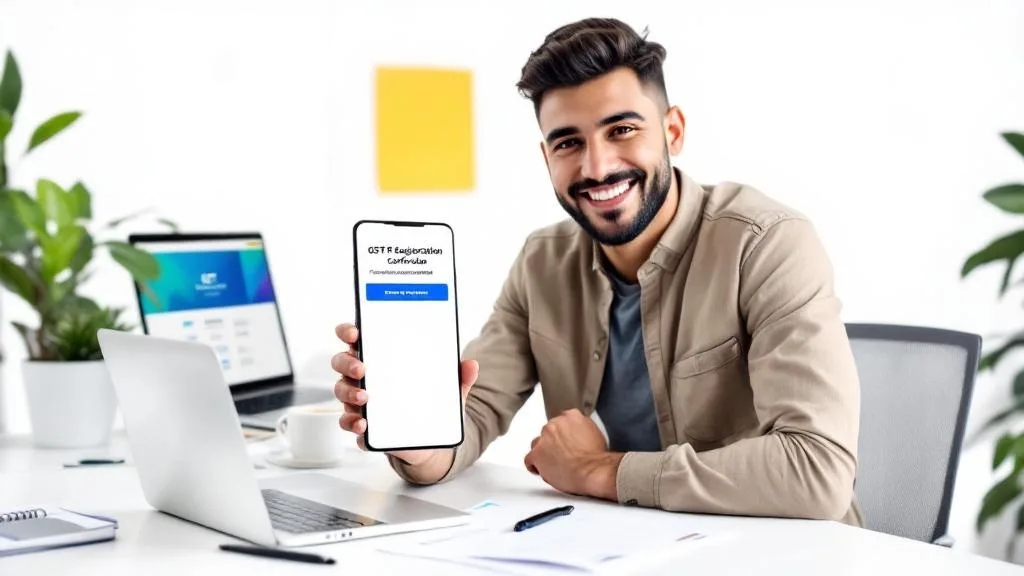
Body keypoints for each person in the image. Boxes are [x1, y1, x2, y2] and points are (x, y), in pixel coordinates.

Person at [332, 17, 863, 526]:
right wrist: (418, 443)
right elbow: (473, 412)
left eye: (622, 129)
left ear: (673, 131)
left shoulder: (766, 244)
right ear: (547, 158)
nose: (597, 167)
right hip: (620, 548)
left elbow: (817, 470)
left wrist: (598, 470)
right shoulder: (541, 262)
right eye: (568, 143)